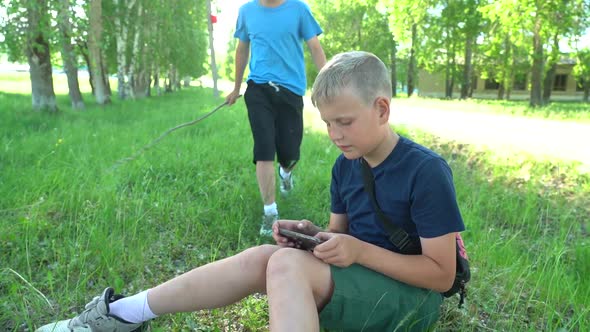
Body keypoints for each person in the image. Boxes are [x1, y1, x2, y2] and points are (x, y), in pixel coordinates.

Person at [36, 51, 465, 332]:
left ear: (382, 108)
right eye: (327, 123)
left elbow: (440, 276)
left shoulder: (425, 171)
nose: (334, 134)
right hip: (363, 282)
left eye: (345, 122)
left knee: (285, 270)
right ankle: (122, 315)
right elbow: (342, 238)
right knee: (268, 256)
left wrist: (358, 252)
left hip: (412, 302)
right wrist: (313, 236)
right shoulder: (346, 166)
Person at [224, 0, 327, 236]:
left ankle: (286, 174)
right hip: (258, 88)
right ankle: (270, 211)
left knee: (290, 153)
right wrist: (236, 86)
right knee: (264, 147)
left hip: (291, 90)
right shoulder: (246, 11)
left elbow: (315, 47)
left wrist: (327, 84)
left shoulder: (299, 9)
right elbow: (242, 49)